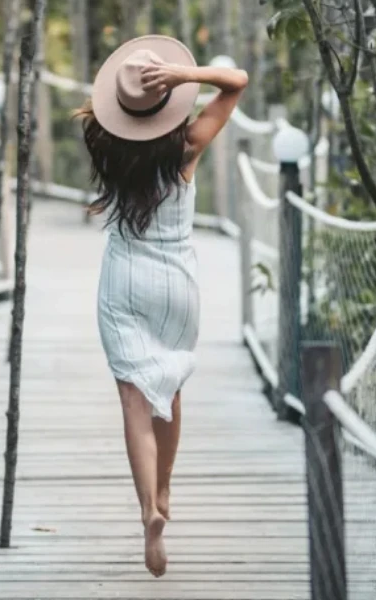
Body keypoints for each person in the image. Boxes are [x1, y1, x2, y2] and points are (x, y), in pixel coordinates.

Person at [77, 35, 248, 578]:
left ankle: (148, 507)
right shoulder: (187, 149)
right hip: (176, 284)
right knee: (168, 389)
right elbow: (237, 82)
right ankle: (168, 485)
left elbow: (103, 110)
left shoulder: (104, 143)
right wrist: (185, 77)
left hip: (124, 278)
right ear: (168, 105)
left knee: (132, 396)